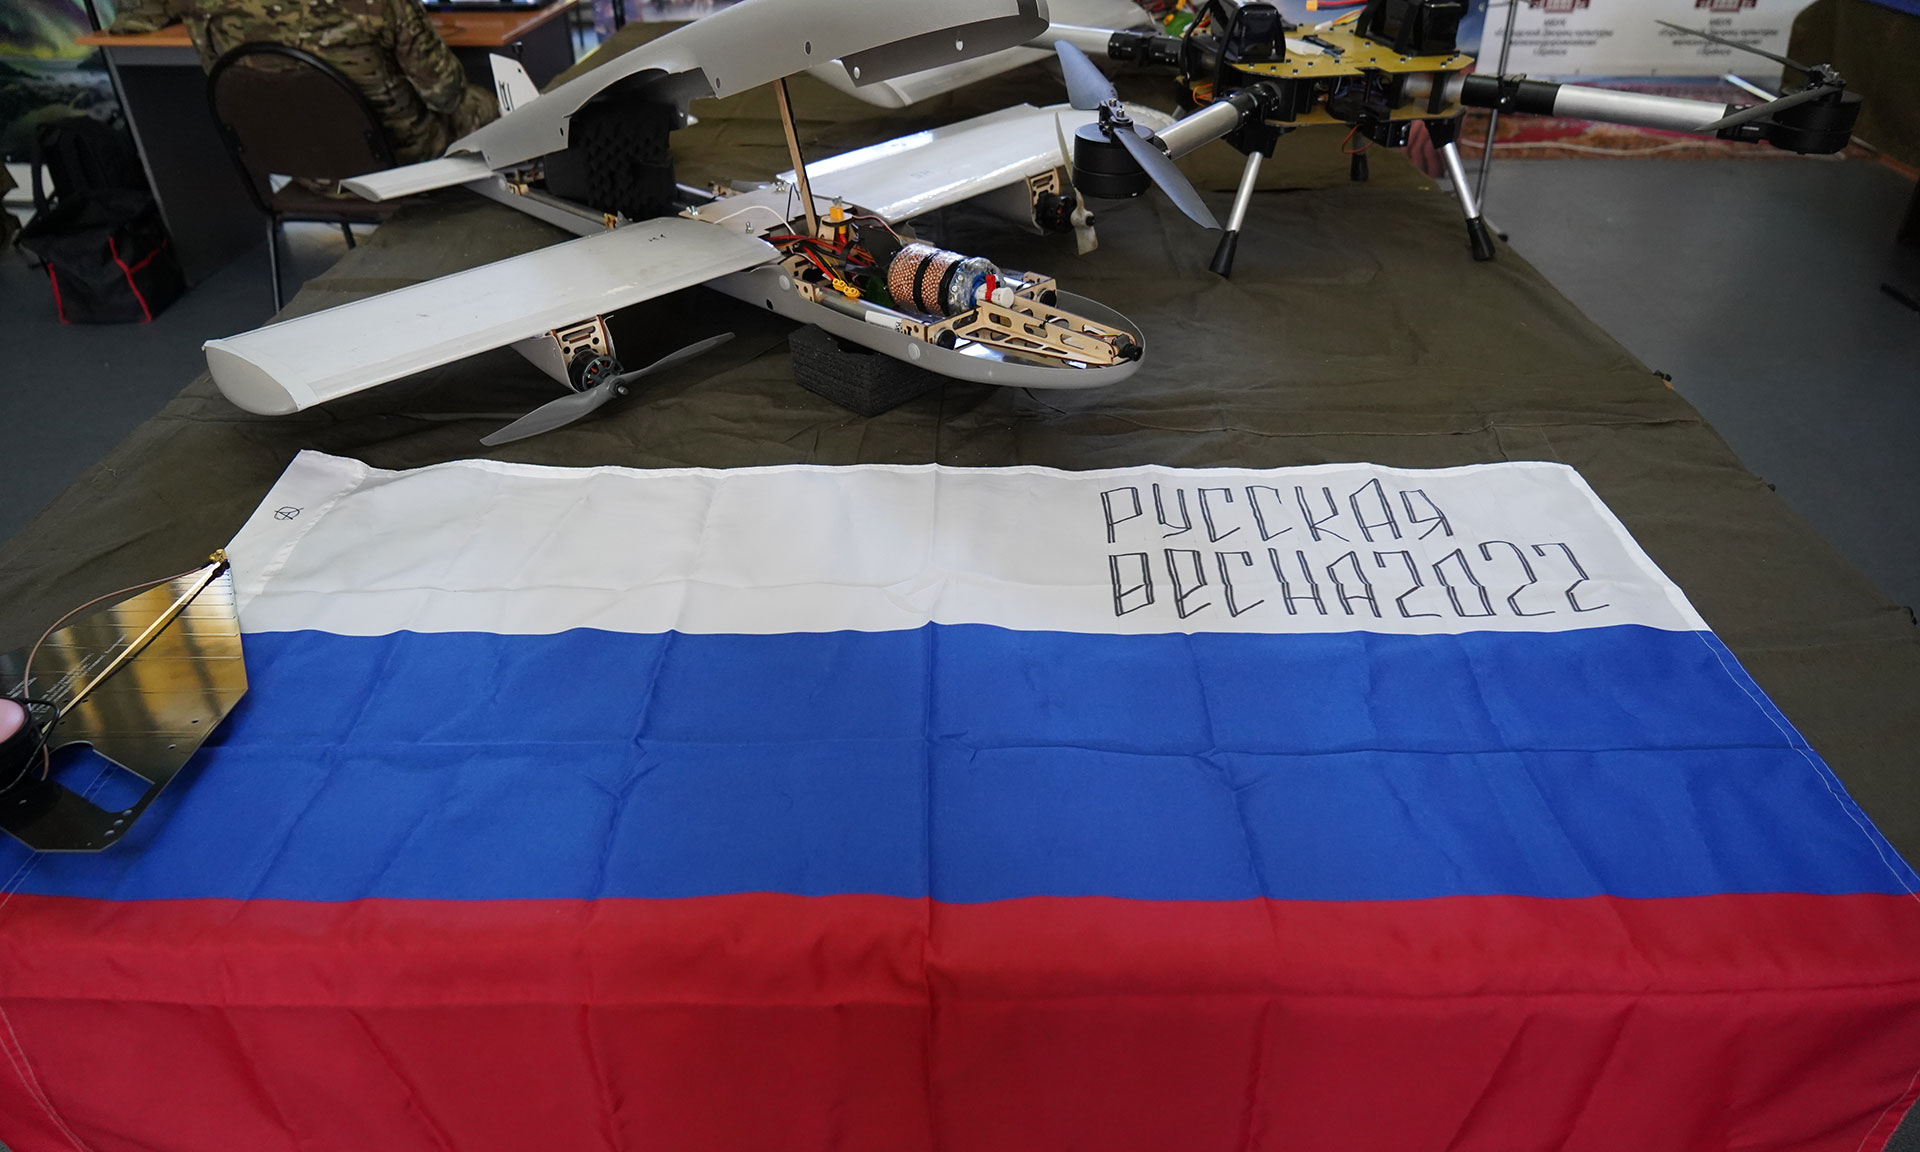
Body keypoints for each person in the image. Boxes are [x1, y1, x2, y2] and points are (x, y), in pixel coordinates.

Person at [110, 0, 499, 166]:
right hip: (399, 162)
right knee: (488, 102)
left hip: (295, 166)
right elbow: (446, 94)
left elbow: (224, 79)